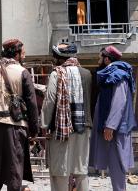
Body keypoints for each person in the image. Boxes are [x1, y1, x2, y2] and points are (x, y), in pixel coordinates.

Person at [0, 39, 39, 191]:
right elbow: (32, 103)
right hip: (14, 127)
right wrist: (34, 130)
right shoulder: (22, 72)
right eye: (23, 53)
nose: (24, 56)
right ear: (17, 54)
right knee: (14, 173)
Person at [40, 43, 92, 191]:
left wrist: (44, 125)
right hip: (84, 128)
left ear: (59, 58)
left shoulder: (56, 74)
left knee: (60, 171)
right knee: (81, 170)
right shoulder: (87, 74)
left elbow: (50, 100)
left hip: (61, 129)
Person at [89, 46, 137, 191]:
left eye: (100, 57)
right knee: (113, 163)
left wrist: (110, 125)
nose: (98, 60)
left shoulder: (118, 75)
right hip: (113, 127)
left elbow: (119, 101)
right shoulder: (112, 74)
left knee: (117, 164)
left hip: (117, 129)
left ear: (107, 59)